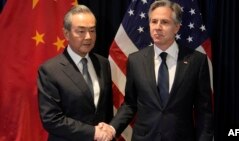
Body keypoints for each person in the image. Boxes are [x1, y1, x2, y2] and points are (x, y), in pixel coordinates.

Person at [100, 0, 214, 141]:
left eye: (164, 22)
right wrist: (112, 128)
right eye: (154, 21)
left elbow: (204, 112)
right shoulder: (135, 60)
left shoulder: (196, 61)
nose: (157, 27)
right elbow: (130, 104)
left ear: (177, 27)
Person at [37, 5, 114, 141]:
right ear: (66, 34)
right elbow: (51, 119)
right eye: (81, 31)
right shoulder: (50, 70)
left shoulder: (103, 63)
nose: (88, 37)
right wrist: (93, 132)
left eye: (92, 30)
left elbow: (105, 109)